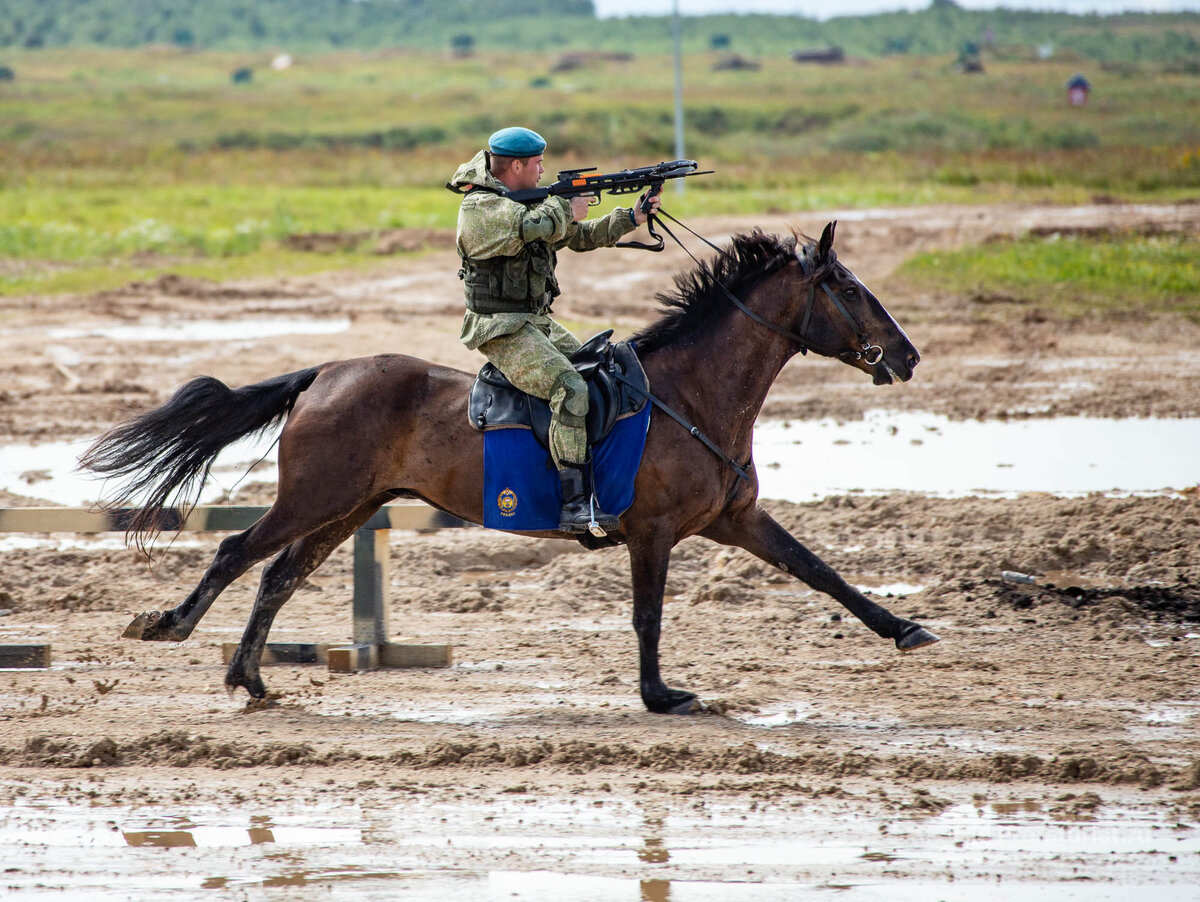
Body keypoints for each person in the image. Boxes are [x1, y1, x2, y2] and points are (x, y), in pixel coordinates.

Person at [447, 126, 661, 534]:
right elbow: (526, 227)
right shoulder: (479, 208)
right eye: (538, 164)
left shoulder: (530, 205)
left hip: (534, 321)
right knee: (569, 387)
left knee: (598, 373)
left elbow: (577, 235)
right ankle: (574, 503)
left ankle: (596, 474)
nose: (544, 170)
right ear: (515, 166)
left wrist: (631, 217)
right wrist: (565, 208)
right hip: (500, 327)